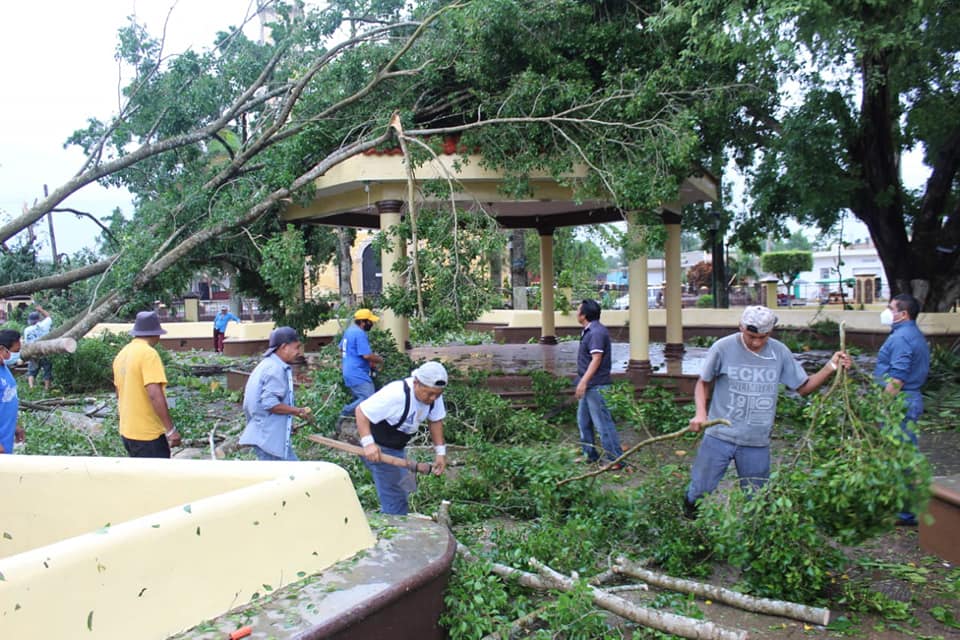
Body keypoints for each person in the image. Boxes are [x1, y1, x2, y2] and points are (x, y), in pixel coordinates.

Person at [683, 305, 850, 518]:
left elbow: (804, 387)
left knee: (757, 499)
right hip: (719, 437)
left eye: (763, 337)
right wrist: (700, 413)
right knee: (700, 490)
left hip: (756, 441)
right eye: (751, 336)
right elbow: (703, 383)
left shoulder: (779, 352)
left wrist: (831, 366)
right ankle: (688, 525)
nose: (757, 342)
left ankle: (754, 540)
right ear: (741, 327)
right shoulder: (722, 348)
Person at [356, 361, 449, 515]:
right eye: (429, 393)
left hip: (397, 447)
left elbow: (436, 420)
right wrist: (368, 444)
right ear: (417, 383)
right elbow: (361, 411)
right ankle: (394, 531)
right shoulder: (396, 393)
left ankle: (395, 522)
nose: (433, 398)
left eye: (437, 394)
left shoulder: (435, 397)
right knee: (395, 496)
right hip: (379, 446)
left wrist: (441, 453)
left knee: (401, 491)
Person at [874, 293, 930, 526]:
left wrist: (881, 406)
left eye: (890, 308)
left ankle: (906, 513)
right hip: (907, 401)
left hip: (901, 403)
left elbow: (897, 378)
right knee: (898, 455)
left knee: (902, 457)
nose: (887, 312)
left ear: (903, 314)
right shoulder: (910, 334)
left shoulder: (902, 339)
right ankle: (900, 507)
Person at [113, 311, 181, 458]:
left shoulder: (122, 354)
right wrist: (170, 429)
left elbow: (118, 393)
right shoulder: (148, 354)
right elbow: (154, 394)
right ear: (156, 334)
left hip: (127, 432)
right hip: (148, 435)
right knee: (159, 479)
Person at [239, 327, 313, 461]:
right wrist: (298, 411)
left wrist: (285, 426)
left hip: (264, 436)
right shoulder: (276, 369)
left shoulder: (265, 365)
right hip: (268, 440)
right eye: (296, 347)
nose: (298, 352)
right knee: (293, 477)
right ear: (284, 347)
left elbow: (250, 405)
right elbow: (270, 404)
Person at [575, 299, 624, 467]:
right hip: (589, 385)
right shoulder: (589, 330)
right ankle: (590, 455)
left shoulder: (596, 332)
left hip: (596, 386)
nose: (576, 312)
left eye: (578, 310)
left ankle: (615, 460)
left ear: (584, 314)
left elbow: (596, 359)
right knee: (584, 422)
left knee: (602, 423)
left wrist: (583, 382)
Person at [339, 309, 384, 421]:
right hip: (357, 372)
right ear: (363, 322)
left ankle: (355, 423)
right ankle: (343, 413)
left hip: (349, 370)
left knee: (361, 400)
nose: (372, 324)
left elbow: (341, 348)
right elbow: (366, 355)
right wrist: (380, 360)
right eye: (370, 321)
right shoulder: (359, 333)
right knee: (368, 398)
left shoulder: (349, 331)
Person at [0, 330, 23, 454]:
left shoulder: (4, 368)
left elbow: (6, 399)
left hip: (6, 439)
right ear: (2, 349)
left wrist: (14, 427)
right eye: (15, 351)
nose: (17, 355)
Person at [24, 305, 54, 391]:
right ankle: (47, 388)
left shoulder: (27, 330)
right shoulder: (44, 325)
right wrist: (41, 310)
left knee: (32, 371)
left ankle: (31, 388)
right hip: (45, 351)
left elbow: (26, 343)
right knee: (47, 370)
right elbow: (49, 317)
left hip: (33, 352)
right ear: (38, 319)